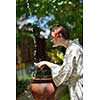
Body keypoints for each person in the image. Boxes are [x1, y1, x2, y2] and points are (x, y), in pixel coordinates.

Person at [35, 25, 83, 100]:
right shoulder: (73, 47)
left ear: (59, 36)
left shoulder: (72, 50)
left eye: (52, 37)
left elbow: (63, 73)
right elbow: (66, 69)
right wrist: (47, 63)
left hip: (80, 89)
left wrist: (48, 64)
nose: (51, 40)